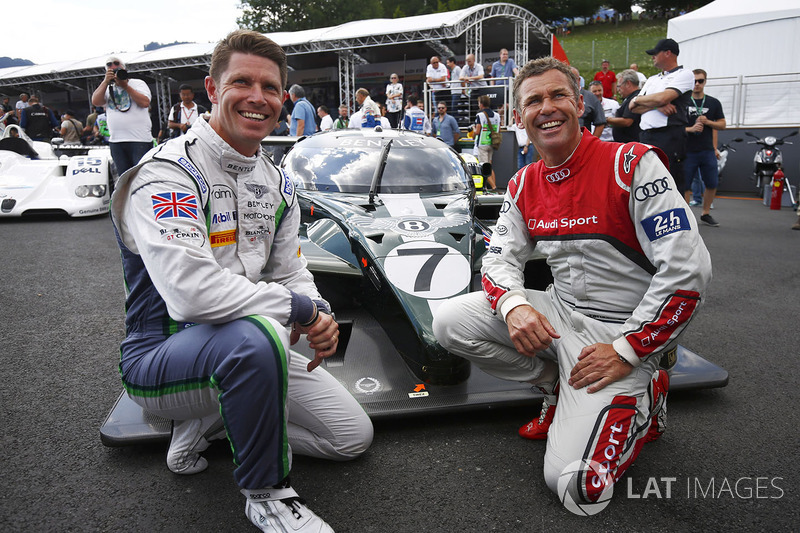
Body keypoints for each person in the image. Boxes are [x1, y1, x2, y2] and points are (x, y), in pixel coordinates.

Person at [109, 29, 373, 532]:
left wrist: (321, 314)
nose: (258, 98)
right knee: (263, 331)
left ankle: (207, 423)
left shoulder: (275, 181)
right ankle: (266, 494)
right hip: (159, 359)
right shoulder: (167, 171)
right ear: (212, 89)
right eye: (242, 83)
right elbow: (191, 294)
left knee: (350, 438)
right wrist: (298, 311)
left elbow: (291, 269)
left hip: (254, 349)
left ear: (283, 98)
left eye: (270, 87)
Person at [433, 56, 711, 506]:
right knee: (449, 321)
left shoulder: (632, 163)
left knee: (577, 485)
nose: (547, 107)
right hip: (562, 315)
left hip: (622, 331)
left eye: (558, 95)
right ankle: (555, 384)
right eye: (533, 101)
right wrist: (516, 306)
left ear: (580, 104)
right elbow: (498, 260)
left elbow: (688, 270)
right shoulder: (523, 183)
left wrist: (628, 350)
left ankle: (647, 390)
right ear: (519, 118)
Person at [630, 38, 694, 199]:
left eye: (655, 53)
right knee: (647, 180)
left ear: (668, 53)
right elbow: (632, 106)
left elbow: (663, 97)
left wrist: (644, 100)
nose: (653, 57)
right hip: (646, 135)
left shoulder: (684, 74)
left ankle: (677, 220)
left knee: (670, 181)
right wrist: (655, 105)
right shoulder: (652, 79)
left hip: (669, 135)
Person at [91, 56, 153, 174]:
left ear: (124, 68)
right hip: (116, 141)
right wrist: (105, 82)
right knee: (123, 177)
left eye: (116, 64)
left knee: (141, 175)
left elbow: (145, 103)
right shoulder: (107, 88)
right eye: (109, 65)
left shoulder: (138, 83)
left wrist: (125, 86)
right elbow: (96, 102)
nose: (113, 67)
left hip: (139, 139)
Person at [684, 69, 726, 227]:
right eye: (694, 81)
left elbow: (722, 125)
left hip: (707, 150)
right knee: (685, 185)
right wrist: (691, 129)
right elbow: (675, 127)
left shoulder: (713, 102)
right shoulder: (684, 101)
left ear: (705, 82)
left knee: (712, 182)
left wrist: (708, 122)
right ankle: (686, 215)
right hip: (687, 150)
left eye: (700, 81)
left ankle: (705, 213)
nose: (696, 84)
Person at [607, 69, 642, 144]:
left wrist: (607, 120)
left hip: (631, 144)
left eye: (619, 86)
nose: (618, 90)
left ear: (628, 83)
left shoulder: (635, 98)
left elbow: (627, 121)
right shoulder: (630, 98)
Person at [473, 94, 499, 190]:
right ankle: (493, 187)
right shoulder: (497, 115)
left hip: (482, 144)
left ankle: (494, 187)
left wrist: (473, 132)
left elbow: (477, 131)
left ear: (481, 104)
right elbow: (498, 130)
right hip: (492, 143)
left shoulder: (480, 115)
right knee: (490, 166)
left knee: (484, 167)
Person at [571, 68, 605, 138]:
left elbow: (600, 123)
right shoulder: (556, 96)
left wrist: (591, 143)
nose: (570, 81)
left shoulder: (591, 97)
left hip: (582, 141)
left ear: (579, 80)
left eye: (573, 78)